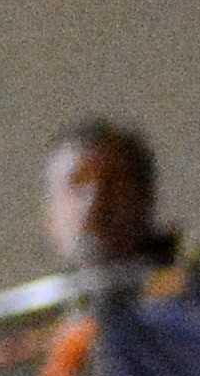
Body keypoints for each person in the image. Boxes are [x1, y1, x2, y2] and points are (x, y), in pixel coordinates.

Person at [50, 118, 178, 277]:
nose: (95, 202)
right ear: (49, 216)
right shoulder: (38, 299)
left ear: (145, 198)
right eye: (78, 182)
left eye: (114, 182)